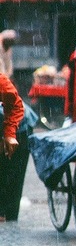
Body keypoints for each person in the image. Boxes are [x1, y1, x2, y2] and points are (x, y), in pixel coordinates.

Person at [0, 73, 25, 222]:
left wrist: (9, 134)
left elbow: (16, 105)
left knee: (9, 177)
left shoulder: (1, 81)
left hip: (17, 126)